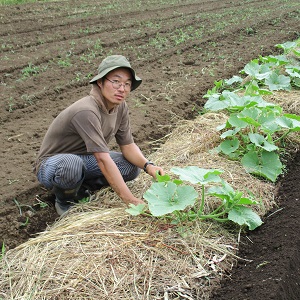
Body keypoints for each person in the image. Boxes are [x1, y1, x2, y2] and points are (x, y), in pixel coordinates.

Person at [34, 55, 164, 216]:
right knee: (71, 164)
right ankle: (64, 199)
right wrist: (130, 200)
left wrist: (148, 166)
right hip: (53, 164)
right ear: (100, 82)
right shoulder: (86, 110)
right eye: (116, 81)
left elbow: (128, 145)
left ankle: (81, 188)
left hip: (86, 160)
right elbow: (102, 158)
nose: (122, 89)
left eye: (127, 84)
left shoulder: (120, 107)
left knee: (131, 167)